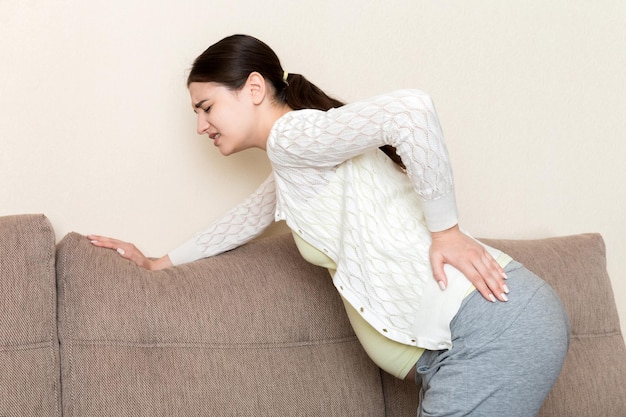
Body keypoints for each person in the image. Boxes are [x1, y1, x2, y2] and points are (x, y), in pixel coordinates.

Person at [89, 34, 570, 416]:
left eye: (206, 107)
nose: (200, 126)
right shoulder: (295, 163)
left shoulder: (292, 137)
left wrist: (446, 231)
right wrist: (158, 263)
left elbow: (412, 111)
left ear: (254, 89)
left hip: (490, 329)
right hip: (472, 340)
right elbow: (245, 219)